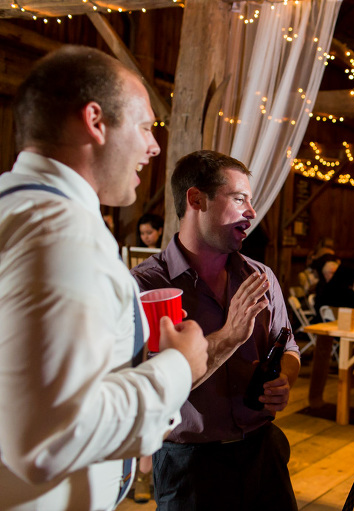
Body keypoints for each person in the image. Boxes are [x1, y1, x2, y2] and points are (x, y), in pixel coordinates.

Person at [0, 45, 209, 510]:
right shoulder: (60, 232)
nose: (154, 146)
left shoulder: (13, 211)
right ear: (96, 121)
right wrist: (177, 367)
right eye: (144, 126)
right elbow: (45, 436)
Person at [131, 150, 301, 510]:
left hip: (263, 451)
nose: (252, 213)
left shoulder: (260, 277)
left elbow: (289, 348)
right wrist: (229, 336)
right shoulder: (146, 287)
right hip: (189, 464)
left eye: (250, 200)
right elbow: (147, 386)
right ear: (196, 199)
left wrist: (283, 379)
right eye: (239, 199)